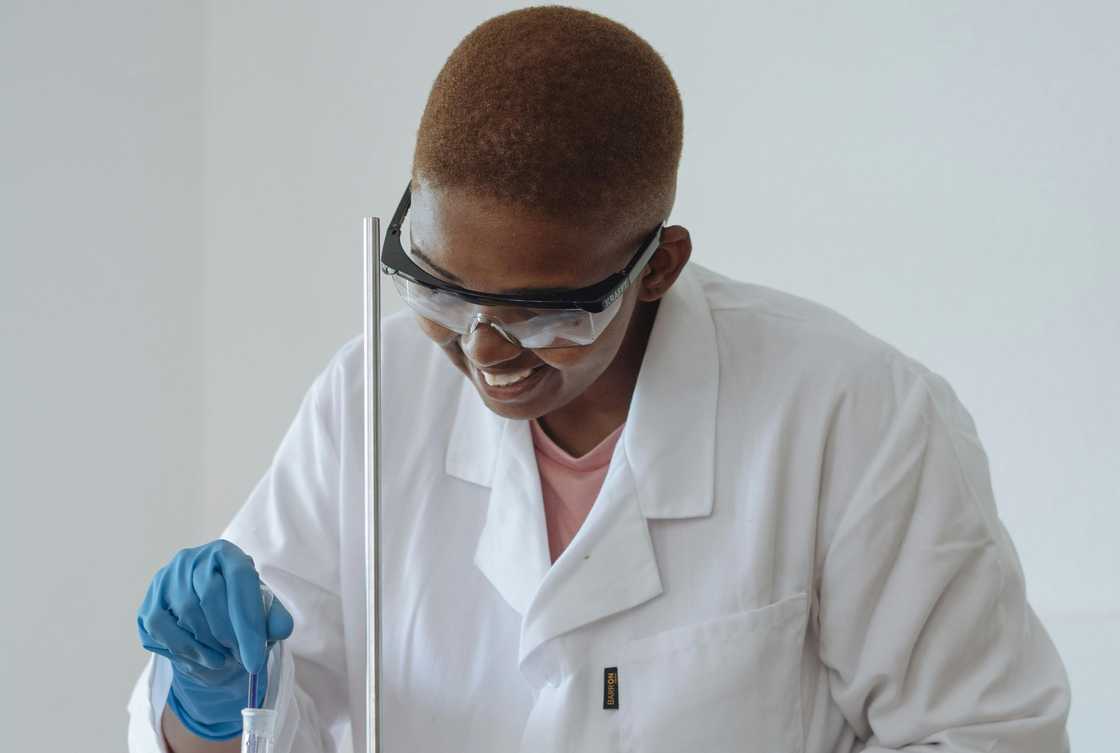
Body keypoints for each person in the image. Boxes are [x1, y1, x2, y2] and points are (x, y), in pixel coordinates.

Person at [128, 6, 1071, 753]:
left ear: (657, 266)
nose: (485, 349)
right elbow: (268, 730)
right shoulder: (371, 399)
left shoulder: (853, 417)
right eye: (445, 293)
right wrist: (211, 702)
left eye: (543, 312)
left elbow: (986, 733)